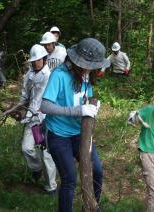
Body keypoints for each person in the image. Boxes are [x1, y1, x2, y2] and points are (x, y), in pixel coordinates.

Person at [40, 38, 110, 212]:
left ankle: (93, 207)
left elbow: (82, 98)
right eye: (90, 65)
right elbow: (45, 106)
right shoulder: (59, 75)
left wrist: (91, 106)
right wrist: (78, 110)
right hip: (58, 134)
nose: (93, 69)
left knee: (97, 171)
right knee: (69, 178)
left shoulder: (85, 75)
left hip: (79, 134)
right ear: (79, 62)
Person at [19, 44, 57, 194]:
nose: (35, 63)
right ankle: (36, 167)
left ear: (44, 59)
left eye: (38, 60)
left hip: (46, 120)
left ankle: (51, 186)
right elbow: (24, 95)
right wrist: (19, 108)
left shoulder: (50, 76)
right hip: (31, 119)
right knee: (26, 148)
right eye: (33, 60)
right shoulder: (28, 75)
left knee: (46, 154)